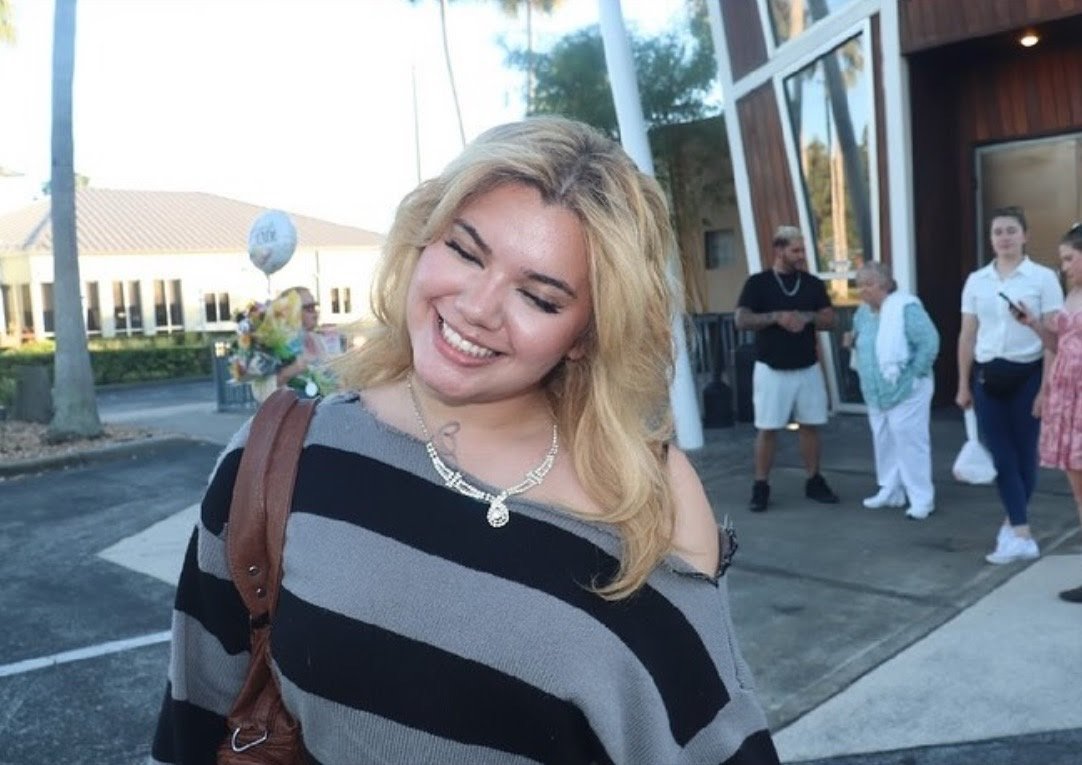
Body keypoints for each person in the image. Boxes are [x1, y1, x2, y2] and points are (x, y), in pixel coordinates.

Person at [151, 117, 781, 764]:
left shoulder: (648, 495)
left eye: (539, 297)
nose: (478, 307)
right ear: (423, 239)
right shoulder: (279, 457)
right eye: (466, 252)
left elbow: (713, 743)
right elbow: (195, 725)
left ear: (586, 336)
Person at [956, 205, 1064, 564]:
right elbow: (967, 335)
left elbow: (1053, 338)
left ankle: (1015, 529)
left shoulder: (1043, 278)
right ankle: (1020, 531)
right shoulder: (977, 281)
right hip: (988, 376)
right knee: (1002, 456)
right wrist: (962, 384)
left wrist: (1045, 389)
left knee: (1024, 456)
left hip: (1029, 375)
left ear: (1025, 236)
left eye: (1011, 231)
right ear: (990, 239)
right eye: (998, 232)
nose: (1004, 238)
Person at [734, 225, 838, 512]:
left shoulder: (812, 283)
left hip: (807, 367)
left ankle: (814, 480)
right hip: (771, 369)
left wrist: (807, 317)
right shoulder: (758, 283)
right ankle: (761, 486)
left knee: (810, 426)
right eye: (796, 250)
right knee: (767, 428)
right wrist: (776, 317)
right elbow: (741, 320)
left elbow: (830, 320)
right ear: (779, 250)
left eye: (803, 250)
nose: (801, 255)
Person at [844, 262, 940, 519]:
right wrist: (851, 341)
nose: (863, 290)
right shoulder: (862, 313)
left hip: (906, 388)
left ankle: (922, 498)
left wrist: (914, 376)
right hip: (875, 390)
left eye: (869, 284)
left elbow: (929, 342)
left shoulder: (906, 308)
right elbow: (859, 338)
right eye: (859, 285)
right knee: (884, 440)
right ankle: (891, 490)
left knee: (911, 443)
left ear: (885, 284)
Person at [1019, 223, 1082, 601]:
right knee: (1079, 492)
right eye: (1063, 260)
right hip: (1067, 400)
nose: (1065, 267)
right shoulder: (1072, 294)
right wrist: (1033, 326)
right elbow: (1059, 345)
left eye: (1070, 259)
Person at [249, 285, 338, 401]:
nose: (315, 313)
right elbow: (260, 392)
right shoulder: (271, 344)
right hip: (291, 409)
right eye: (308, 308)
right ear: (289, 311)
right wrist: (291, 370)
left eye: (315, 307)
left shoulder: (317, 339)